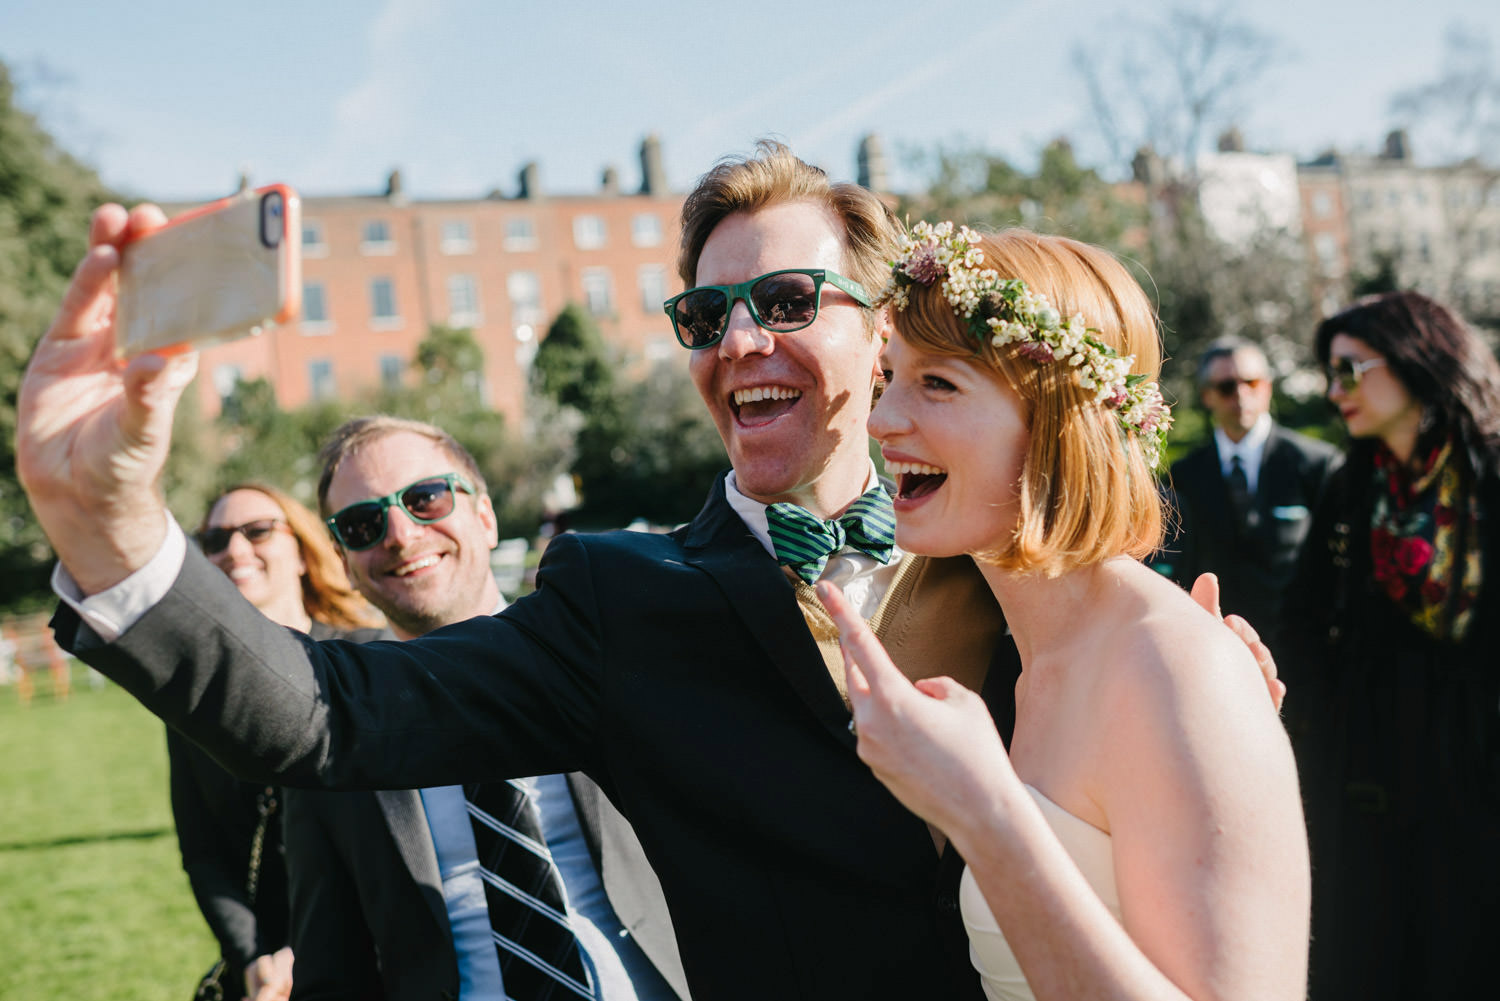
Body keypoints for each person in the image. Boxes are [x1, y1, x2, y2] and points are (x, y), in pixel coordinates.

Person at [17, 143, 1276, 1001]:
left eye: (785, 297)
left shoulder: (1036, 580)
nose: (738, 341)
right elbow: (328, 710)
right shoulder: (620, 595)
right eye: (702, 314)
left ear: (881, 326)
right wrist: (111, 525)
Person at [819, 222, 1310, 1001]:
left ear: (1055, 421)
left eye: (938, 384)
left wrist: (985, 810)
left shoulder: (1174, 667)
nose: (880, 421)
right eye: (890, 377)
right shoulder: (1009, 654)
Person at [282, 415, 688, 1001]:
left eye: (425, 498)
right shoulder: (332, 733)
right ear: (344, 561)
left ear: (485, 516)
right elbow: (331, 971)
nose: (399, 533)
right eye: (363, 523)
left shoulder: (604, 651)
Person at [1280, 290, 1500, 1000]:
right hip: (1371, 760)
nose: (1333, 389)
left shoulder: (1490, 470)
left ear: (1415, 359)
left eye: (1350, 369)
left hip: (1479, 759)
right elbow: (1302, 620)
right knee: (1374, 947)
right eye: (1328, 372)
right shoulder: (1353, 483)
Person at [171, 483, 385, 1001]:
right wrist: (252, 958)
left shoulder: (370, 660)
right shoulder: (194, 698)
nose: (235, 550)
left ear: (302, 552)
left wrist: (309, 948)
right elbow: (204, 853)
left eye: (258, 530)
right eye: (216, 539)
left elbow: (398, 839)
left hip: (382, 952)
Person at [1153, 338, 1340, 637]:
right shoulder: (1183, 476)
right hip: (1217, 648)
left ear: (1267, 387)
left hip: (1302, 651)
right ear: (1207, 396)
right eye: (1226, 387)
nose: (1240, 395)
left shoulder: (1316, 464)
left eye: (1251, 383)